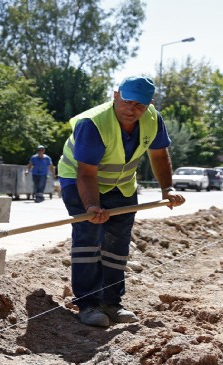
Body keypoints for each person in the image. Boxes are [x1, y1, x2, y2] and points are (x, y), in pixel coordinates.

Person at [57, 76, 185, 327]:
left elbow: (159, 155)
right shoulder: (92, 124)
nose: (132, 109)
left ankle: (111, 302)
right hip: (79, 180)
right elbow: (86, 172)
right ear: (116, 95)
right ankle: (88, 303)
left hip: (122, 185)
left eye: (140, 105)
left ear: (149, 105)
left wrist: (167, 189)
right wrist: (93, 206)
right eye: (127, 101)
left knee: (117, 244)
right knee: (89, 236)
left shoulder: (152, 120)